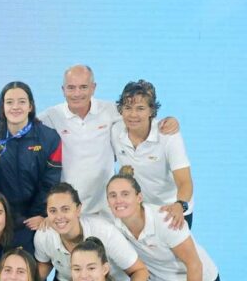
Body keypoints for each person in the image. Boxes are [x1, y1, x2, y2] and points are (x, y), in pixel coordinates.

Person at [33, 65, 178, 214]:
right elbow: (25, 127)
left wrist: (169, 120)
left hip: (105, 206)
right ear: (63, 89)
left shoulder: (110, 110)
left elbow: (139, 116)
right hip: (68, 206)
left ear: (93, 87)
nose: (77, 93)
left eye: (83, 87)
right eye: (71, 88)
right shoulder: (51, 116)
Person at [34, 183, 148, 281]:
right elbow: (44, 264)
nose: (59, 217)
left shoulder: (105, 232)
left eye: (65, 209)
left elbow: (140, 270)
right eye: (53, 211)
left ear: (78, 209)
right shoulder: (43, 236)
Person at [0, 81, 62, 232]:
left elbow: (50, 182)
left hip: (33, 218)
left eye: (22, 102)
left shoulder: (49, 137)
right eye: (9, 102)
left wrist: (39, 214)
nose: (15, 107)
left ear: (30, 106)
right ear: (2, 106)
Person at [111, 80, 194, 229]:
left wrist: (179, 205)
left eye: (140, 108)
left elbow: (185, 182)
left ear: (151, 111)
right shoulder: (115, 130)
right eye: (128, 108)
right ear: (121, 109)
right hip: (141, 211)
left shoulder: (168, 136)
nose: (133, 114)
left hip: (172, 210)